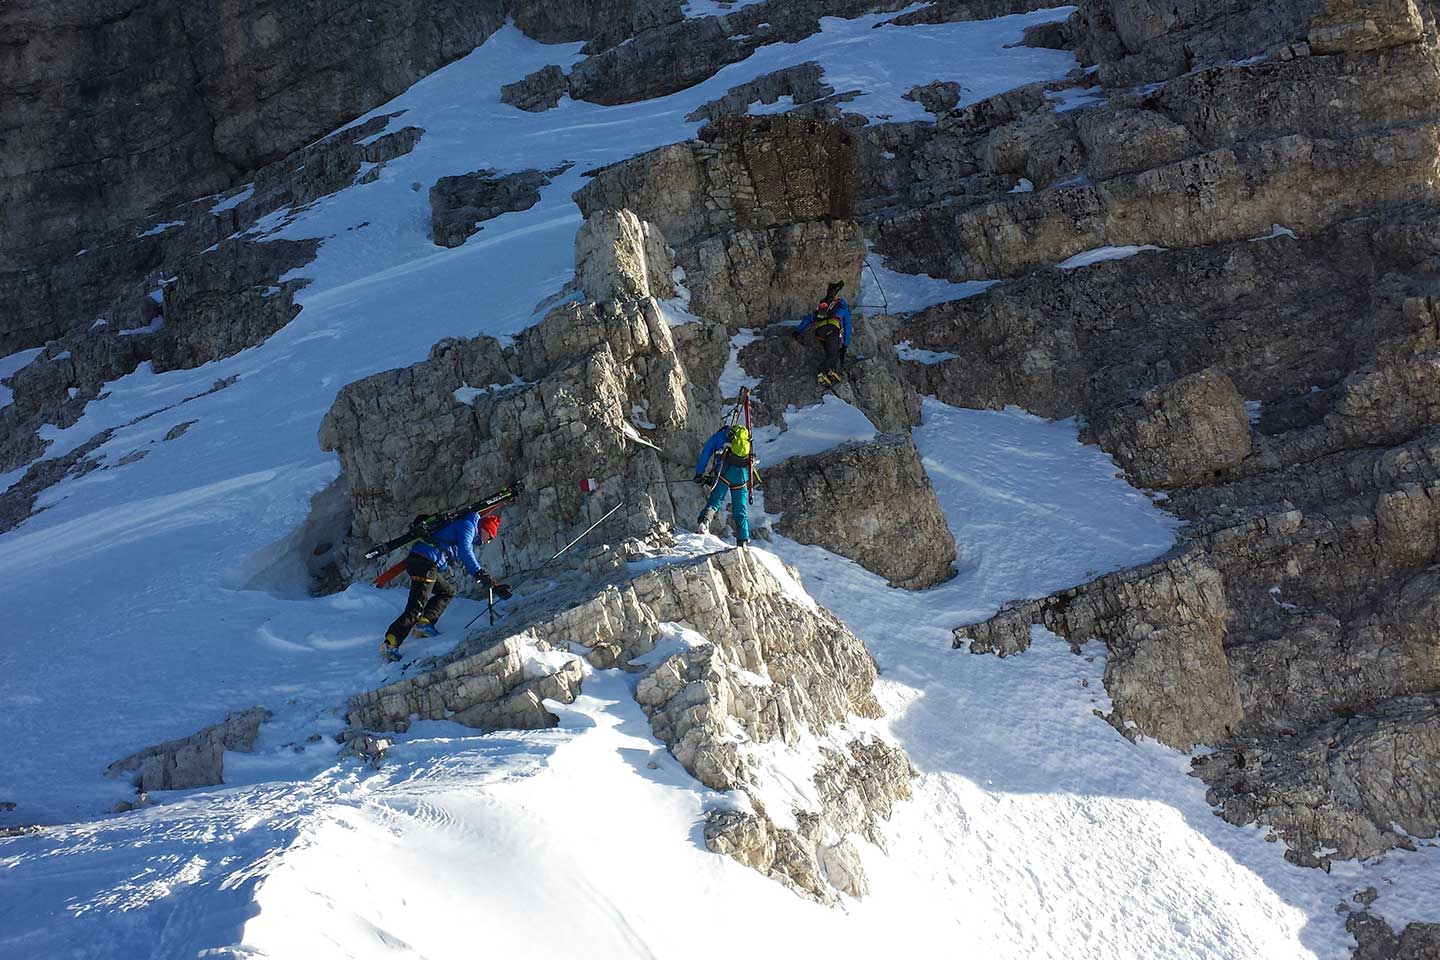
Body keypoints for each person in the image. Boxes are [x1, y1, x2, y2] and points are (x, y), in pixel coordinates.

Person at [382, 511, 510, 661]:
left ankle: (424, 623)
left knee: (447, 592)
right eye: (490, 536)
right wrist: (481, 575)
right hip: (425, 563)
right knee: (415, 607)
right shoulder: (468, 526)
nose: (488, 541)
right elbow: (465, 552)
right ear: (485, 529)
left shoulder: (466, 528)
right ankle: (390, 643)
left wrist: (490, 582)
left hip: (426, 563)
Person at [694, 423, 760, 546]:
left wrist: (699, 473)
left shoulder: (719, 436)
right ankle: (743, 540)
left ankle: (703, 524)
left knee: (715, 501)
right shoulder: (745, 439)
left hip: (725, 470)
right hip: (741, 474)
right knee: (740, 509)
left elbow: (706, 453)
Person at [791, 281, 852, 387]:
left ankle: (830, 370)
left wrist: (797, 331)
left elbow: (808, 319)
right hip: (832, 330)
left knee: (831, 353)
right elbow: (847, 326)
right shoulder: (843, 309)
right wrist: (845, 345)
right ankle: (822, 372)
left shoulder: (822, 309)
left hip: (820, 333)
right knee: (833, 353)